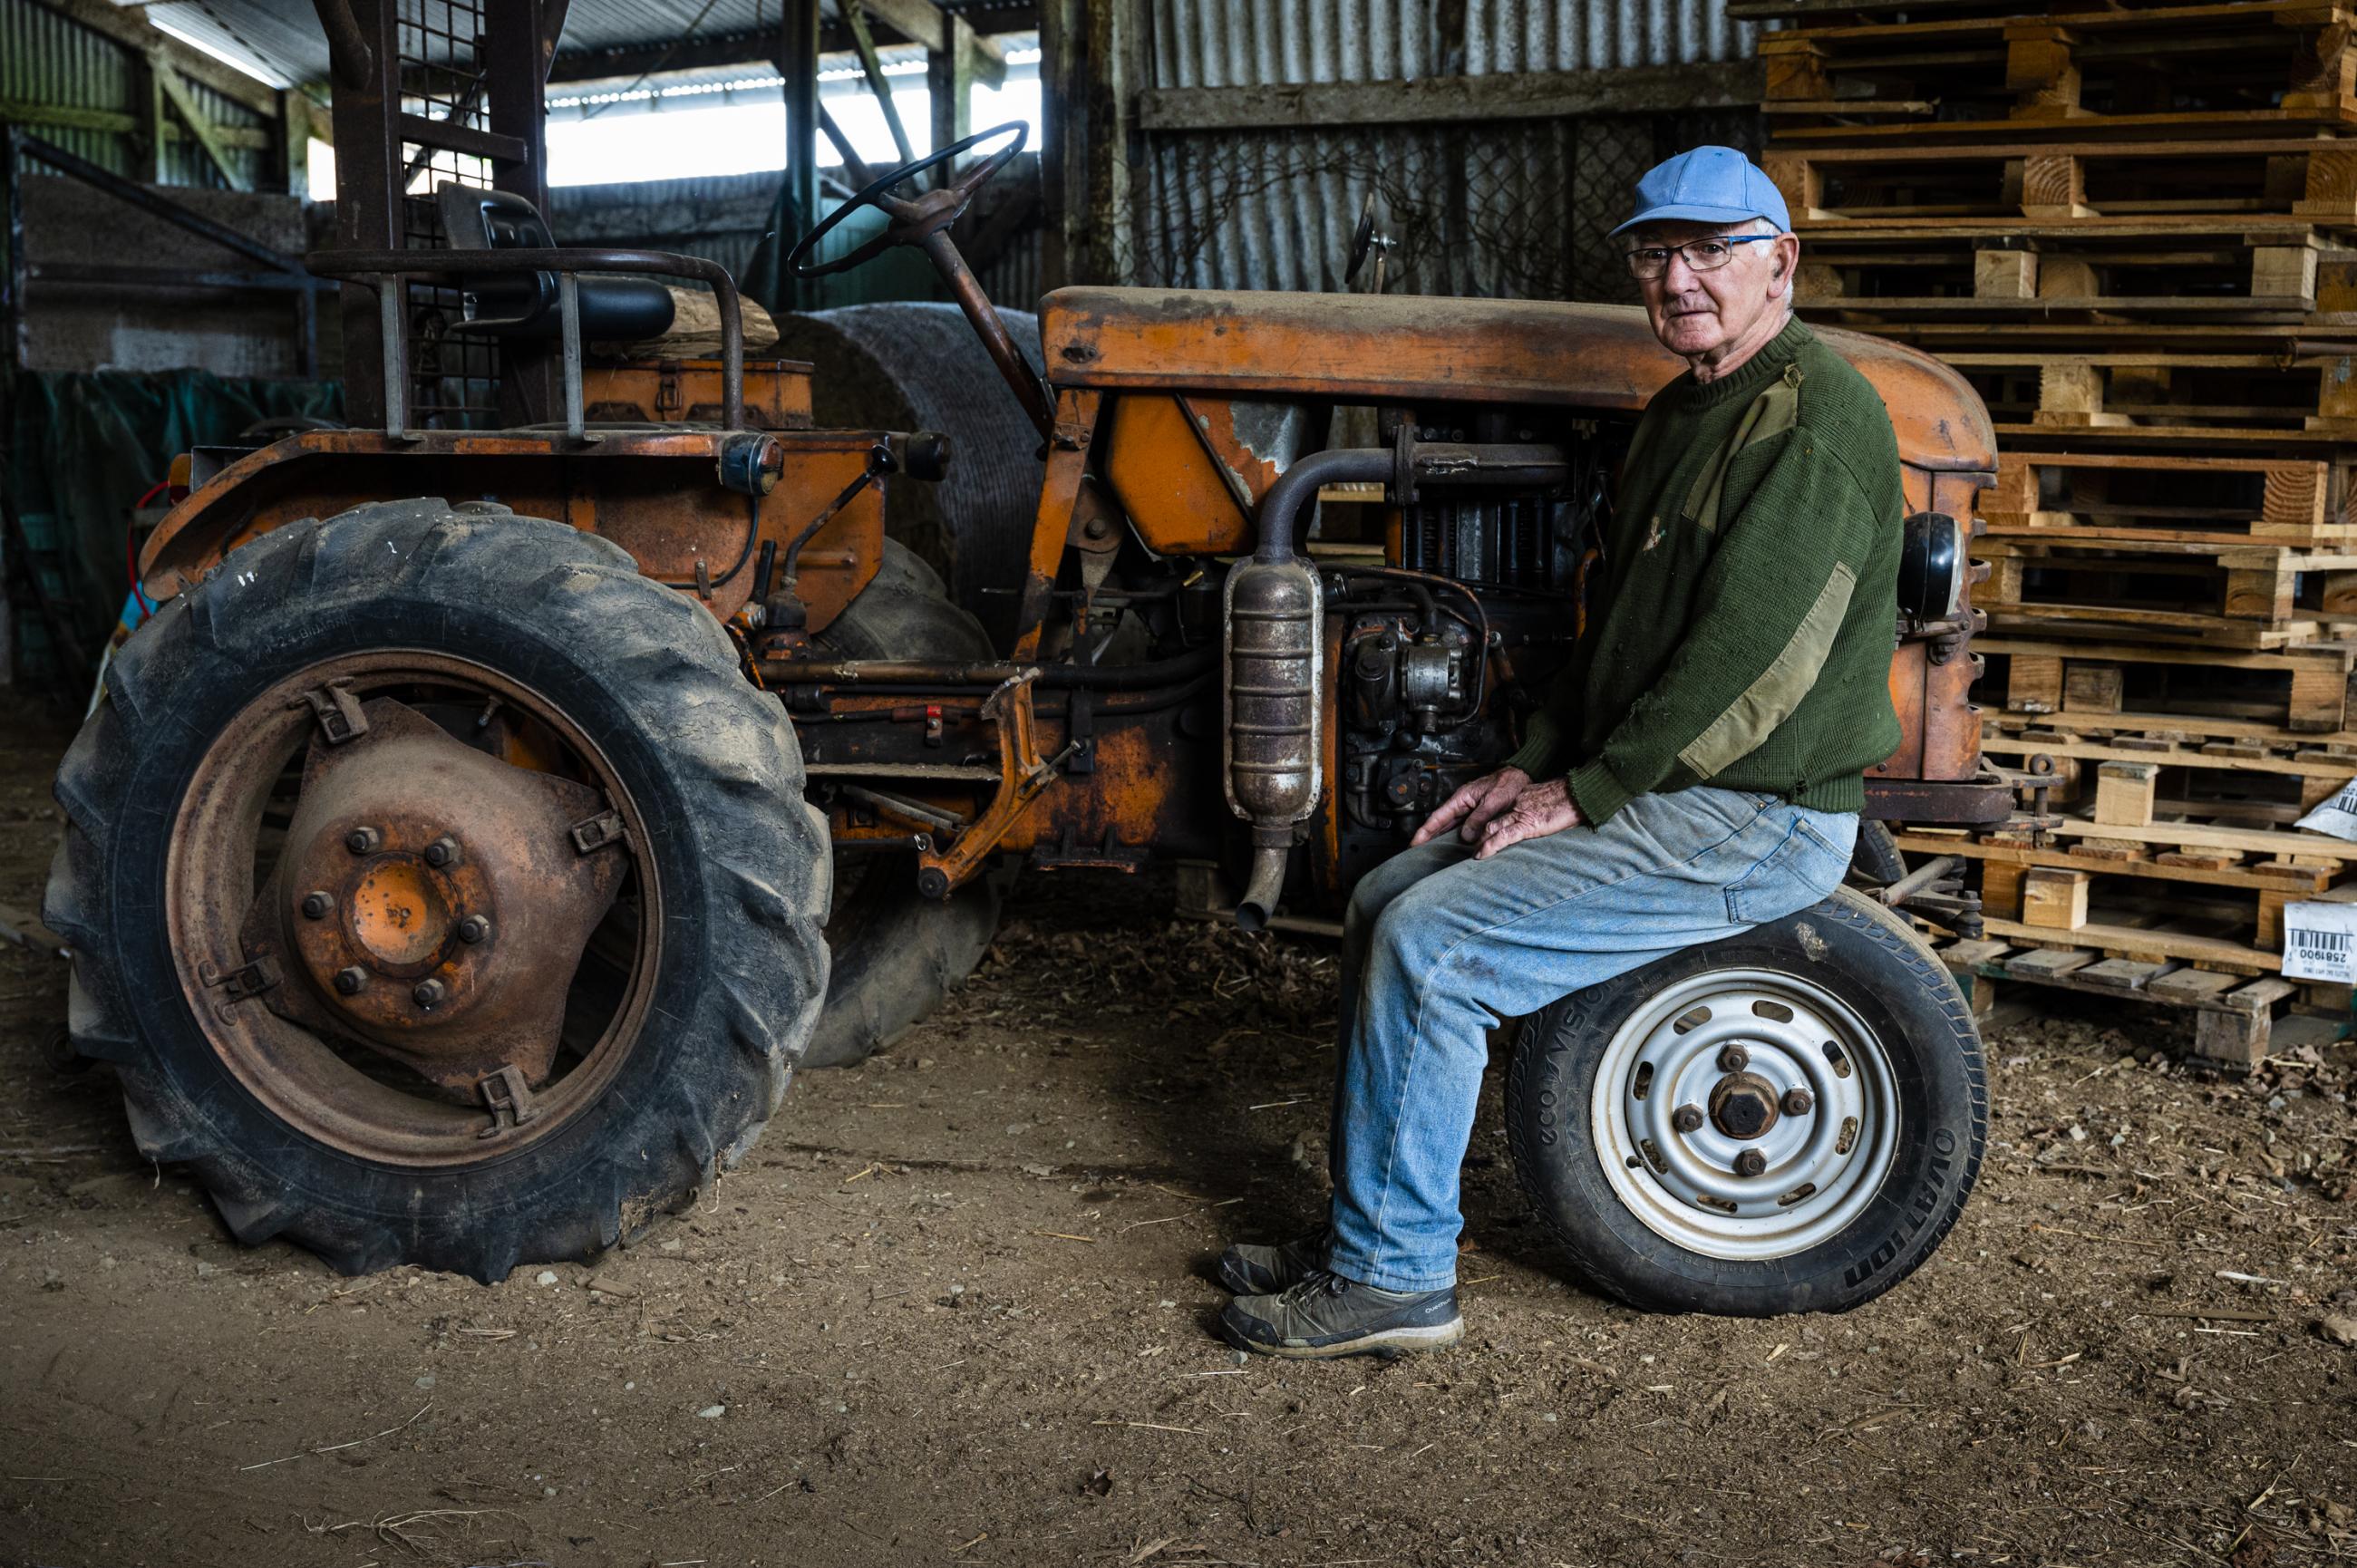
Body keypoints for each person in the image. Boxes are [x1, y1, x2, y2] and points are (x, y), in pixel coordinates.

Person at [1213, 146, 1906, 1358]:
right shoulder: (1684, 411)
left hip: (1753, 809)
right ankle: (1370, 1227)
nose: (1677, 276)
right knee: (1387, 900)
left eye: (1710, 249)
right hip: (1678, 788)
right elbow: (1618, 637)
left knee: (1439, 947)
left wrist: (1590, 792)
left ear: (1780, 263)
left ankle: (1399, 1282)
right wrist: (1535, 765)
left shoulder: (1816, 413)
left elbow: (1754, 665)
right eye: (1654, 252)